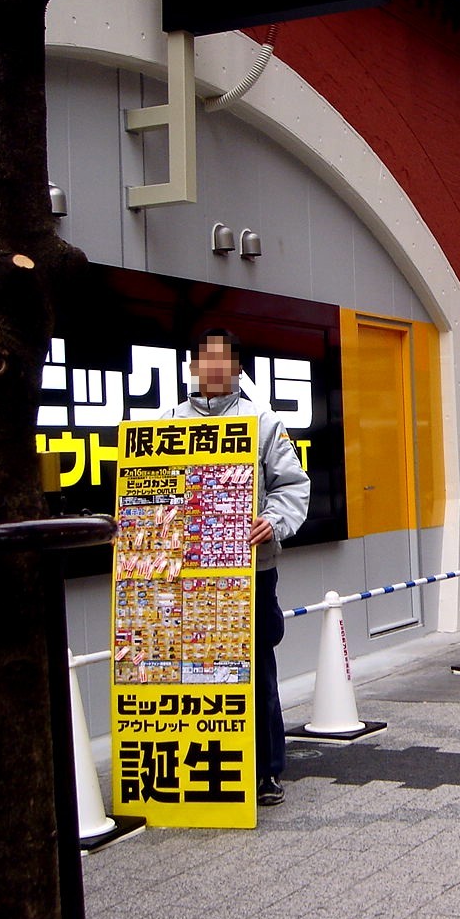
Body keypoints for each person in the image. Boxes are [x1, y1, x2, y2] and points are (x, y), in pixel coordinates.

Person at [161, 328, 310, 807]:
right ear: (191, 368)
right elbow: (156, 490)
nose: (212, 371)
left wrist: (273, 520)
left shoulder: (262, 422)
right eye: (204, 361)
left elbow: (292, 485)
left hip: (253, 570)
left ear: (238, 370)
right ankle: (207, 770)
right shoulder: (168, 422)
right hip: (192, 574)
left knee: (257, 667)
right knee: (199, 668)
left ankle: (266, 770)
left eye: (222, 363)